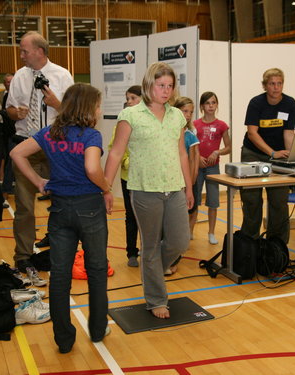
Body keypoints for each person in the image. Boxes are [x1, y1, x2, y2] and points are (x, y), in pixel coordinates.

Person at [10, 83, 111, 353]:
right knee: (97, 269)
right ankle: (98, 328)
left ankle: (64, 339)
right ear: (88, 108)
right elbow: (92, 168)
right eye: (98, 105)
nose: (100, 111)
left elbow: (16, 153)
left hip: (60, 210)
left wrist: (39, 182)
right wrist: (106, 186)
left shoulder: (49, 133)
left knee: (60, 275)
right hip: (89, 207)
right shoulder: (91, 136)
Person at [104, 62, 194, 319]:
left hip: (174, 188)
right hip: (144, 190)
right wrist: (106, 188)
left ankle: (151, 269)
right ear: (149, 85)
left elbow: (182, 154)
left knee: (180, 241)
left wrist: (188, 188)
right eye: (160, 85)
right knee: (151, 245)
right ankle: (156, 299)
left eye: (169, 86)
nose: (165, 91)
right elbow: (116, 152)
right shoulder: (130, 115)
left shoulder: (177, 116)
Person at [6, 31, 74, 283]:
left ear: (40, 51)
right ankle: (23, 255)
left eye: (25, 50)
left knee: (61, 204)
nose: (21, 55)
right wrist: (16, 113)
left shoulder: (62, 75)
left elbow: (73, 113)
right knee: (24, 207)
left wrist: (57, 103)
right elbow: (9, 109)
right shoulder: (19, 78)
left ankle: (60, 251)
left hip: (56, 148)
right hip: (26, 147)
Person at [240, 68, 295, 244]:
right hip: (253, 154)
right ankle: (251, 243)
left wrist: (291, 159)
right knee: (252, 202)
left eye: (279, 83)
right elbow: (252, 133)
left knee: (279, 203)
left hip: (279, 157)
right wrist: (271, 152)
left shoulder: (290, 104)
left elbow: (288, 133)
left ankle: (277, 246)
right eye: (272, 83)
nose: (276, 87)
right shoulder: (256, 103)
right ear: (265, 86)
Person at [108, 85, 142, 268]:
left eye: (133, 98)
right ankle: (131, 252)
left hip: (147, 179)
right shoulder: (121, 123)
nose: (129, 102)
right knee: (131, 216)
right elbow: (114, 148)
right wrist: (129, 162)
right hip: (128, 177)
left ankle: (149, 250)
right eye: (127, 98)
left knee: (149, 217)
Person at [192, 92, 231, 245]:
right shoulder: (195, 125)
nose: (210, 106)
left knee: (213, 201)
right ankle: (190, 230)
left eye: (213, 103)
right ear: (202, 106)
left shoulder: (222, 125)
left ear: (217, 105)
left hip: (213, 168)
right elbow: (190, 146)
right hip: (197, 167)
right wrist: (197, 158)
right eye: (207, 103)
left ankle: (211, 232)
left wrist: (217, 151)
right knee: (194, 201)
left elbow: (228, 147)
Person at [174, 96, 200, 239]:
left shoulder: (190, 135)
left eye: (191, 112)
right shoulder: (171, 133)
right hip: (173, 180)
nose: (188, 115)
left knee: (190, 208)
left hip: (186, 180)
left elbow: (193, 160)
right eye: (185, 111)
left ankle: (187, 233)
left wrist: (190, 181)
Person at [0, 73, 16, 201]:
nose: (9, 84)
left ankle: (7, 188)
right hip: (0, 134)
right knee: (2, 159)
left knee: (11, 160)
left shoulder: (19, 97)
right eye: (7, 82)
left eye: (11, 81)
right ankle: (4, 185)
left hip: (15, 134)